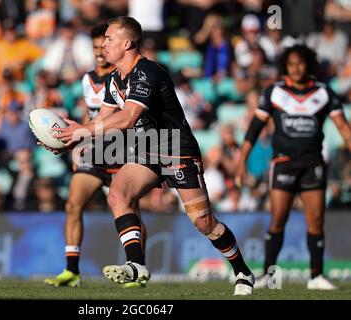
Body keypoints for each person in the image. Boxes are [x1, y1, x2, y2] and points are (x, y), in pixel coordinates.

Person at [53, 17, 254, 295]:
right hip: (147, 147)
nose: (103, 44)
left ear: (127, 43)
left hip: (175, 148)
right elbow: (105, 119)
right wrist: (71, 141)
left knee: (203, 223)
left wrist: (83, 131)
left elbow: (128, 117)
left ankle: (242, 271)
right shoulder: (114, 78)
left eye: (109, 39)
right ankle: (136, 265)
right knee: (117, 194)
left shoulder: (148, 71)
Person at [236, 44, 351, 290]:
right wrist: (241, 160)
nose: (296, 68)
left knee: (316, 220)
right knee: (278, 219)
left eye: (300, 63)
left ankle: (316, 276)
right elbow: (255, 128)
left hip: (313, 164)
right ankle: (268, 273)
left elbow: (344, 128)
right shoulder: (274, 92)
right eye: (291, 64)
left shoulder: (323, 92)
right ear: (285, 67)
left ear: (308, 64)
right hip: (283, 164)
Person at [42, 23, 144, 288]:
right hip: (96, 151)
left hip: (122, 151)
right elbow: (91, 115)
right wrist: (78, 144)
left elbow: (126, 116)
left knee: (129, 210)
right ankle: (72, 270)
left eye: (104, 45)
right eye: (96, 47)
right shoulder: (88, 80)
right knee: (73, 204)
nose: (100, 51)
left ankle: (137, 267)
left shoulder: (126, 76)